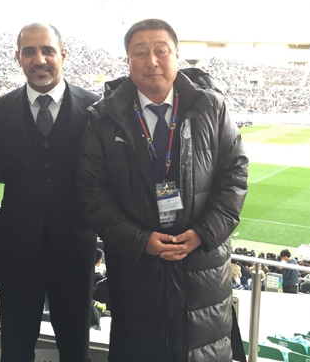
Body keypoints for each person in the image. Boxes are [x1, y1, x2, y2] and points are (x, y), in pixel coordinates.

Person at [77, 18, 249, 361]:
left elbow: (235, 175)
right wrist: (140, 240)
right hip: (137, 271)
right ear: (128, 61)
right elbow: (91, 192)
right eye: (140, 53)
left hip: (202, 268)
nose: (151, 61)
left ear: (177, 55)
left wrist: (202, 233)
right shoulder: (103, 118)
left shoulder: (211, 108)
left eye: (161, 51)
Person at [0, 22, 99, 362]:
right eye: (30, 51)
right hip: (16, 252)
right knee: (16, 344)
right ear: (18, 57)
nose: (40, 59)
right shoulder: (0, 111)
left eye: (48, 50)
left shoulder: (96, 109)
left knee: (74, 346)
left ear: (63, 55)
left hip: (75, 251)